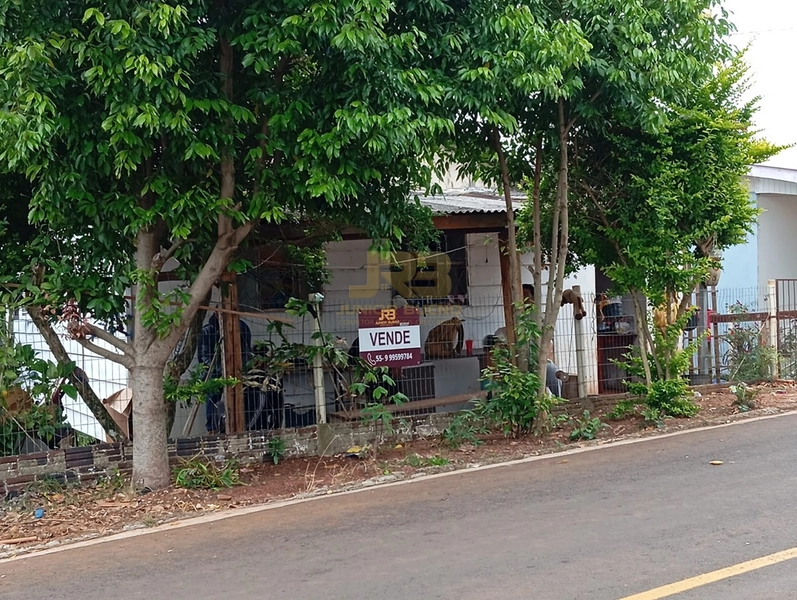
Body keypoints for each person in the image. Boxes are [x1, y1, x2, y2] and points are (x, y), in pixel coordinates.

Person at [198, 312, 252, 435]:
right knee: (212, 395)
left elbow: (247, 351)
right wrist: (221, 370)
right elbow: (203, 357)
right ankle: (212, 428)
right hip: (214, 372)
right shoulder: (207, 331)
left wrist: (239, 368)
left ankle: (242, 426)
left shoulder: (242, 327)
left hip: (236, 372)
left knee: (244, 395)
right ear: (216, 315)